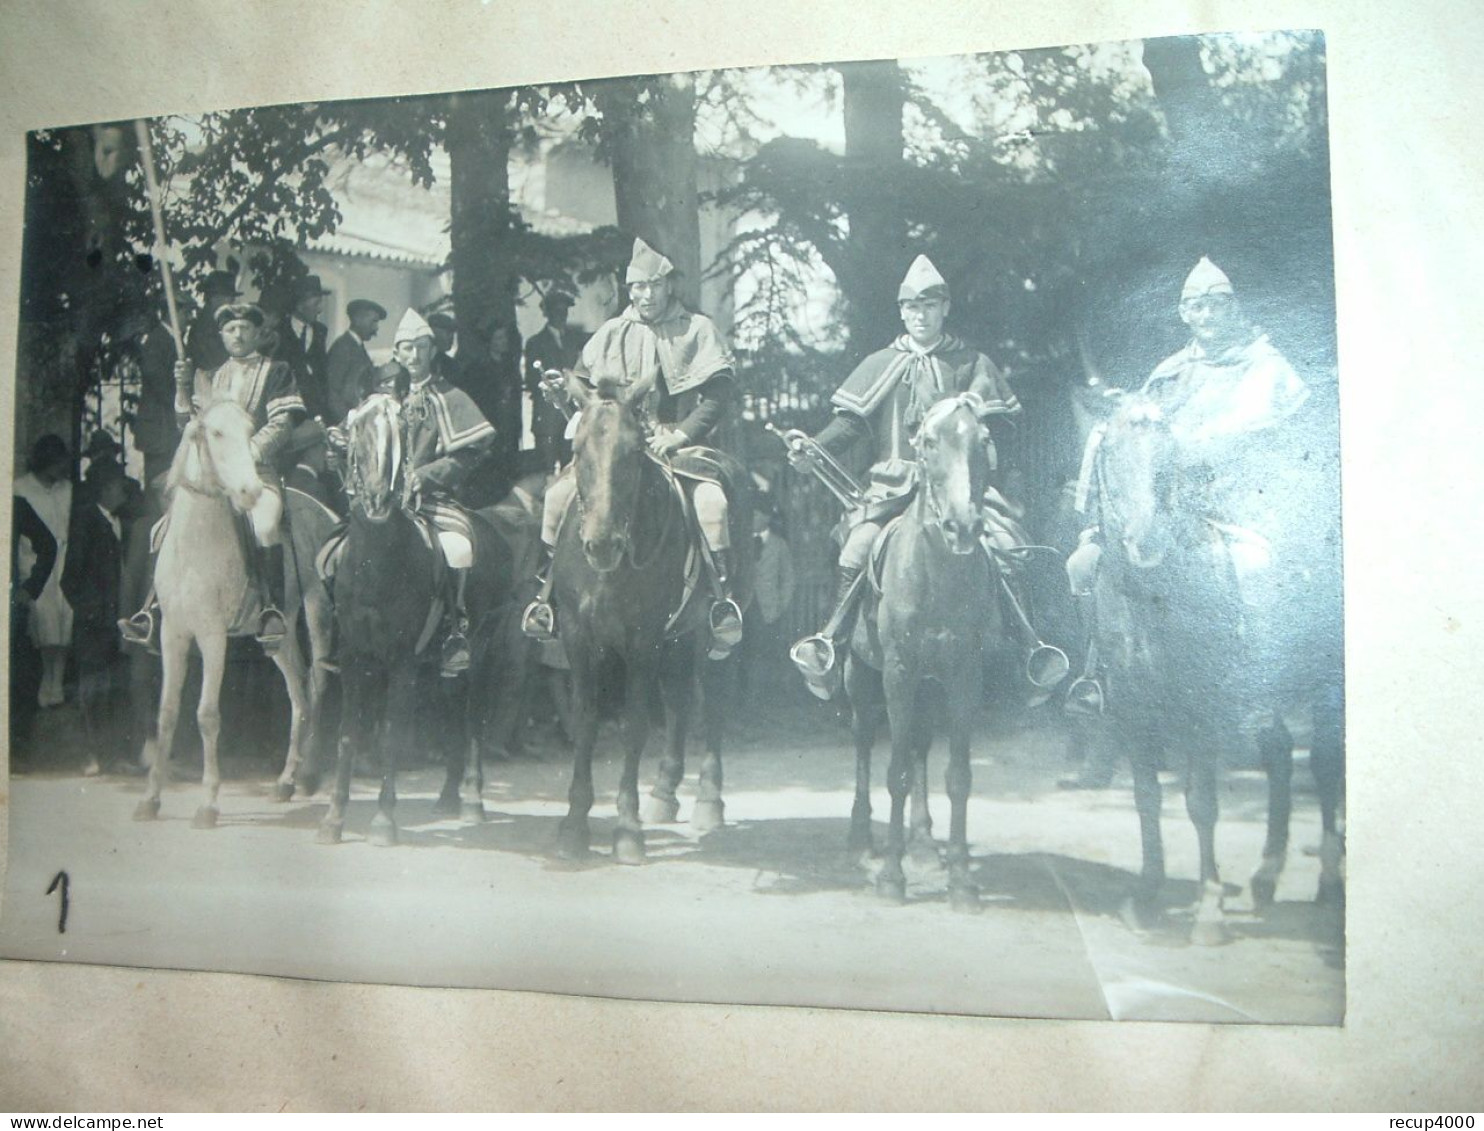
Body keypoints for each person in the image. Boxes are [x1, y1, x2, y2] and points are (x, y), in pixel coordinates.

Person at [1064, 256, 1312, 712]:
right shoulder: (1170, 371)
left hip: (1240, 504)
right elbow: (1135, 437)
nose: (1206, 315)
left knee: (1255, 570)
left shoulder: (1266, 366)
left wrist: (1205, 443)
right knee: (1087, 566)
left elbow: (1275, 437)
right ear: (1184, 315)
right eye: (1196, 307)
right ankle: (1097, 673)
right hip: (1169, 503)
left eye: (1216, 305)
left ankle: (1261, 681)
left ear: (1233, 308)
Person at [783, 255, 1034, 696]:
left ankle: (1028, 649)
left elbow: (1006, 427)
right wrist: (814, 450)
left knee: (1009, 546)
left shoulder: (972, 364)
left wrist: (988, 460)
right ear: (902, 312)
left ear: (945, 309)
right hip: (893, 485)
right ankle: (833, 643)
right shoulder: (882, 362)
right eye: (912, 308)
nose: (921, 316)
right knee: (858, 548)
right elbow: (850, 423)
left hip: (958, 487)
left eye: (930, 307)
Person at [520, 237, 745, 657]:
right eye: (637, 288)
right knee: (554, 499)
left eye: (653, 286)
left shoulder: (696, 329)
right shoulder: (611, 332)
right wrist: (559, 393)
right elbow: (586, 398)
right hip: (614, 448)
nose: (645, 296)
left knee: (711, 503)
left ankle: (720, 602)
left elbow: (718, 394)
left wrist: (679, 435)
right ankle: (546, 598)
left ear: (669, 286)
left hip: (675, 444)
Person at [120, 301, 305, 653]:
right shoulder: (213, 377)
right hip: (216, 481)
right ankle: (155, 609)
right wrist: (181, 388)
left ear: (258, 333)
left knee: (264, 525)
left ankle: (271, 609)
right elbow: (188, 426)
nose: (238, 334)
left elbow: (283, 424)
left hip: (257, 475)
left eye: (245, 329)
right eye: (231, 329)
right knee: (165, 527)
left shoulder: (277, 371)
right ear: (222, 335)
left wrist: (244, 455)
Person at [327, 309, 498, 676]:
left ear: (433, 350)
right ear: (397, 353)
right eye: (407, 348)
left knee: (459, 548)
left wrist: (427, 476)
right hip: (380, 503)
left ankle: (455, 630)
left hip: (429, 500)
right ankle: (339, 630)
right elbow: (354, 442)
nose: (415, 356)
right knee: (330, 554)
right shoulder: (379, 398)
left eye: (422, 347)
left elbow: (471, 451)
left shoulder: (448, 396)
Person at [63, 458, 132, 770]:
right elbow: (70, 578)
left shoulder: (117, 522)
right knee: (90, 693)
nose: (125, 491)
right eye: (119, 485)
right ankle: (91, 756)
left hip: (113, 622)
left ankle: (110, 756)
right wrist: (90, 612)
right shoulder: (86, 521)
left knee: (112, 692)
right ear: (105, 489)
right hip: (93, 624)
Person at [15, 433, 75, 708]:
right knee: (44, 625)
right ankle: (44, 682)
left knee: (64, 624)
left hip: (64, 562)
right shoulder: (21, 488)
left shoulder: (67, 490)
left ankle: (57, 684)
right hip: (35, 565)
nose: (62, 469)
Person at [740, 503, 796, 709]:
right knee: (743, 651)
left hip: (767, 608)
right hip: (744, 606)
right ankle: (743, 699)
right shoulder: (743, 542)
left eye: (755, 514)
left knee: (763, 653)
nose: (752, 519)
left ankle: (761, 702)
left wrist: (780, 605)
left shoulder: (779, 544)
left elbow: (789, 579)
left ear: (765, 517)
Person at [524, 288, 581, 465]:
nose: (561, 316)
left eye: (564, 312)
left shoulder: (574, 339)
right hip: (546, 418)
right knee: (546, 468)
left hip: (569, 415)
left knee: (571, 466)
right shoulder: (535, 342)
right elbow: (532, 380)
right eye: (556, 312)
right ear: (547, 313)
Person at [326, 298, 386, 423]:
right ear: (358, 319)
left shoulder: (357, 346)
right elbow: (332, 393)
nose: (376, 328)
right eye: (373, 321)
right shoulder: (343, 347)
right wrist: (348, 423)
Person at [286, 275, 332, 420]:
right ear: (299, 305)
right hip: (289, 410)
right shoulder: (281, 331)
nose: (320, 310)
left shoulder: (320, 331)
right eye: (316, 304)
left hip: (316, 412)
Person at [184, 269, 241, 372]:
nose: (232, 303)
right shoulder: (206, 326)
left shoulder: (214, 321)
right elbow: (217, 361)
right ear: (215, 297)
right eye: (230, 298)